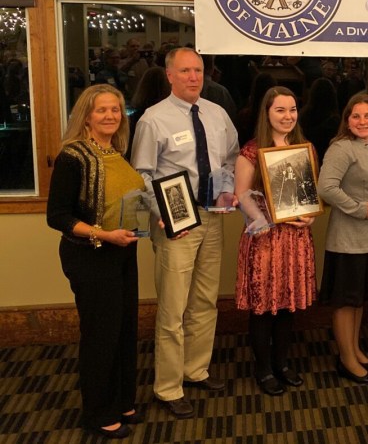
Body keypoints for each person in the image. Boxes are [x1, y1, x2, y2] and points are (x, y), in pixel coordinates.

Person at [130, 47, 239, 418]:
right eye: (186, 71)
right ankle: (168, 387)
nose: (194, 77)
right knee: (173, 308)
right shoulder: (153, 120)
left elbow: (230, 159)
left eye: (198, 70)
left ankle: (196, 369)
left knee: (205, 299)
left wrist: (227, 190)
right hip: (173, 224)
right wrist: (163, 213)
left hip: (212, 217)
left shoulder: (218, 113)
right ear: (169, 75)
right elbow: (140, 175)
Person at [46, 84, 144, 439]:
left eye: (115, 110)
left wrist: (157, 217)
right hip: (90, 255)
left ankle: (121, 400)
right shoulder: (73, 157)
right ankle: (97, 412)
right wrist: (104, 235)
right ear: (86, 115)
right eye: (102, 110)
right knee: (101, 335)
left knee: (123, 330)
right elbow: (57, 216)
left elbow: (127, 201)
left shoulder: (115, 152)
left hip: (122, 252)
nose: (110, 116)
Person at [234, 86, 316, 396]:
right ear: (267, 113)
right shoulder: (252, 151)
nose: (288, 116)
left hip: (295, 237)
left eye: (292, 110)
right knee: (264, 307)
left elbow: (308, 192)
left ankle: (282, 363)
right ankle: (263, 368)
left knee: (287, 305)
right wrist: (262, 220)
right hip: (266, 238)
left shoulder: (302, 147)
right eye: (280, 110)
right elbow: (242, 194)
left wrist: (310, 215)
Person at [318, 94, 368, 385]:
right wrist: (360, 209)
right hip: (347, 238)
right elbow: (326, 187)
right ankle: (346, 358)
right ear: (347, 120)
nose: (362, 121)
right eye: (356, 116)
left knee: (358, 300)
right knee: (346, 302)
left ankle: (355, 349)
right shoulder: (342, 148)